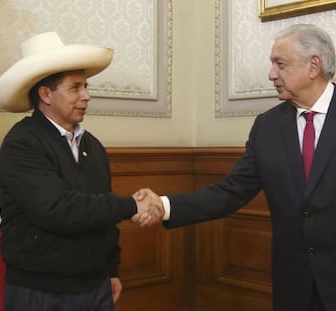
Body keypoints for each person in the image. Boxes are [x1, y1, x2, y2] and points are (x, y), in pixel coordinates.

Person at [135, 24, 336, 311]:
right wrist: (163, 206)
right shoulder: (268, 127)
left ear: (313, 65)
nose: (271, 74)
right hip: (295, 284)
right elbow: (229, 193)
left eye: (280, 64)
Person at [0, 32, 163, 311]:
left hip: (95, 285)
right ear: (45, 94)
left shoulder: (92, 146)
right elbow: (58, 209)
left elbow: (102, 217)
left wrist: (111, 270)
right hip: (42, 291)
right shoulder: (22, 143)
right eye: (75, 88)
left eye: (85, 86)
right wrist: (131, 204)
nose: (87, 95)